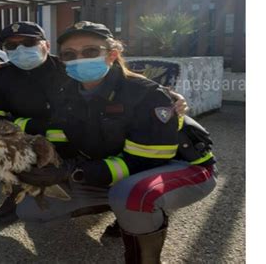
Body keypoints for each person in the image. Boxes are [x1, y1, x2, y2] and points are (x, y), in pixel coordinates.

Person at [15, 21, 217, 264]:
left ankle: (143, 254)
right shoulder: (66, 94)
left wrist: (73, 172)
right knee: (31, 209)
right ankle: (125, 214)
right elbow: (61, 133)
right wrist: (40, 159)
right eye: (69, 54)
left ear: (112, 54)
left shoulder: (144, 93)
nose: (79, 59)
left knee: (132, 196)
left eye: (90, 51)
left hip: (182, 167)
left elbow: (146, 160)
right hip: (117, 170)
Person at [0, 21, 189, 228]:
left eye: (29, 43)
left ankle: (120, 201)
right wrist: (26, 129)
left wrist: (169, 95)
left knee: (108, 155)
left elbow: (124, 83)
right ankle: (21, 191)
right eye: (11, 45)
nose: (20, 49)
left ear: (46, 45)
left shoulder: (68, 66)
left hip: (76, 134)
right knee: (4, 148)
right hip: (27, 135)